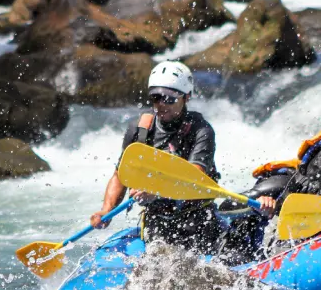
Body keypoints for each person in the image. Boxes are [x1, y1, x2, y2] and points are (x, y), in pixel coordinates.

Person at [89, 61, 229, 254]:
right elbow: (121, 175)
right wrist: (107, 210)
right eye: (156, 97)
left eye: (169, 98)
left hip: (197, 222)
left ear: (186, 97)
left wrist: (156, 191)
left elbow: (193, 178)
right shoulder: (141, 130)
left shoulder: (200, 130)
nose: (161, 104)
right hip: (157, 224)